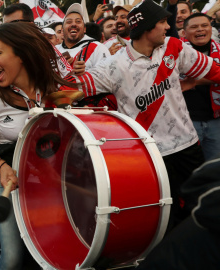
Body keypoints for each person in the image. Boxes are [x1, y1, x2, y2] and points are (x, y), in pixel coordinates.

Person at [66, 0, 220, 229]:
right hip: (149, 155)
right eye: (162, 22)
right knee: (161, 217)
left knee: (198, 210)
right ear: (146, 27)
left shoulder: (174, 47)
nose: (168, 27)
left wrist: (193, 81)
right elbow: (68, 90)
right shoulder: (113, 65)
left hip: (187, 147)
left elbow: (215, 71)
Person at [0, 22, 81, 270]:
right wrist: (0, 166)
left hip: (50, 176)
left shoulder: (55, 87)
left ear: (21, 54)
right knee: (11, 259)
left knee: (50, 250)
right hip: (8, 176)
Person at [181, 13, 220, 161]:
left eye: (204, 26)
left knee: (215, 171)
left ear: (211, 28)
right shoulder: (174, 53)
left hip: (216, 122)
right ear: (184, 33)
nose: (200, 30)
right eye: (194, 27)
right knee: (189, 170)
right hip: (186, 123)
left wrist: (196, 81)